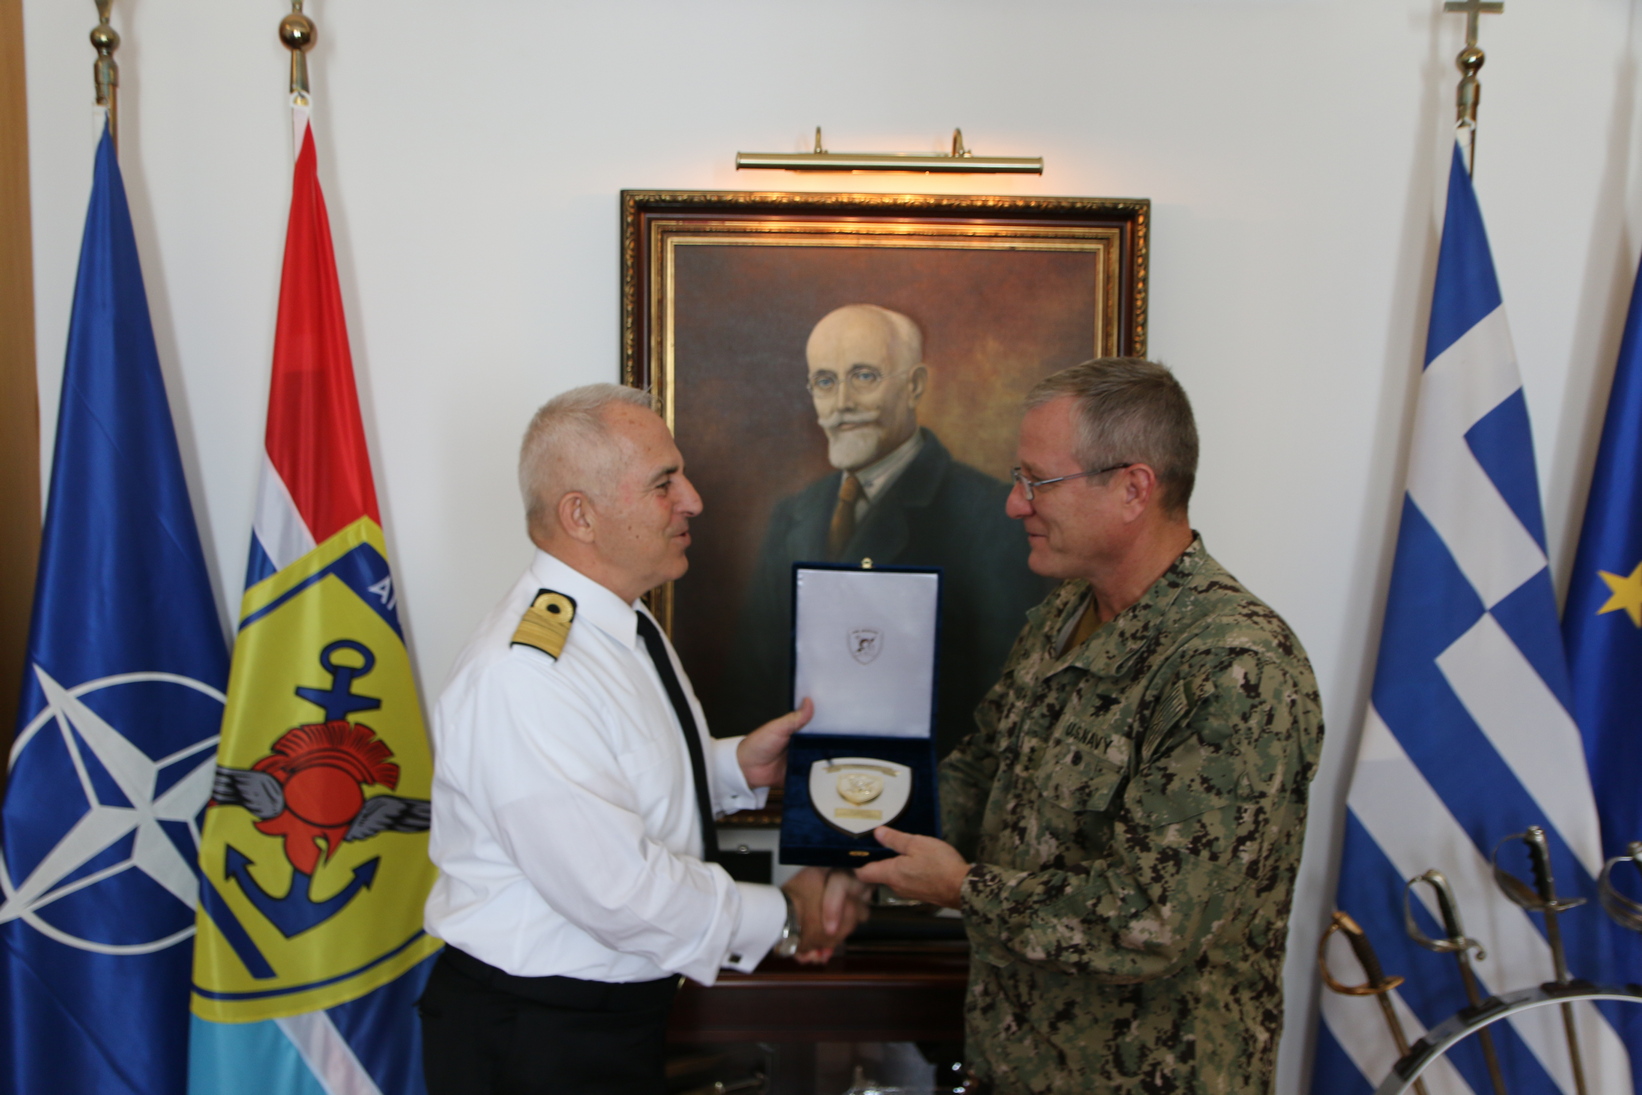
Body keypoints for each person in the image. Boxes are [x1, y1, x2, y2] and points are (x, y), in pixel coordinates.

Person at [857, 359, 1324, 1094]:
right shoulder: (1063, 615)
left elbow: (1152, 919)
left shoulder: (1231, 667)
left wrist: (963, 889)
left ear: (1133, 488)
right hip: (1017, 1061)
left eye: (1037, 481)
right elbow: (982, 767)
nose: (1014, 503)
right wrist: (856, 843)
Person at [421, 384, 869, 1095]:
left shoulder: (618, 621)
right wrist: (785, 915)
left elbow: (623, 777)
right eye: (665, 484)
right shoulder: (525, 673)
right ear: (581, 515)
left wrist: (736, 767)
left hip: (599, 1018)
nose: (693, 500)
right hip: (538, 1036)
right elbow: (616, 890)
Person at [725, 303, 1048, 756]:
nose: (842, 404)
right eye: (825, 381)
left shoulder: (990, 517)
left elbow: (1008, 703)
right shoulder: (792, 515)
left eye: (864, 376)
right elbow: (752, 687)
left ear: (914, 386)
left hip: (930, 790)